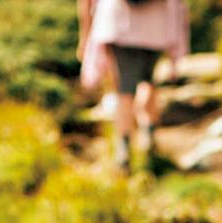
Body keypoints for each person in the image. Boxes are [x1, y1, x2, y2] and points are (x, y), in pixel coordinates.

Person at [78, 0, 189, 172]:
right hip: (157, 27)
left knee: (125, 90)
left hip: (119, 25)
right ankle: (148, 138)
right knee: (149, 83)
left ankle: (123, 151)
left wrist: (85, 33)